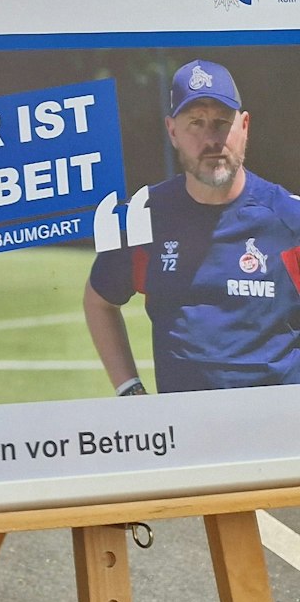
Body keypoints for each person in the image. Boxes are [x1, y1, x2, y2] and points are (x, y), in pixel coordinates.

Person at [85, 59, 300, 393]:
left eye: (222, 123)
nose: (211, 139)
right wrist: (129, 389)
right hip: (186, 437)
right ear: (173, 131)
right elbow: (99, 301)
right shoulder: (144, 217)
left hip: (278, 437)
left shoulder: (289, 218)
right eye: (196, 123)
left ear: (244, 127)